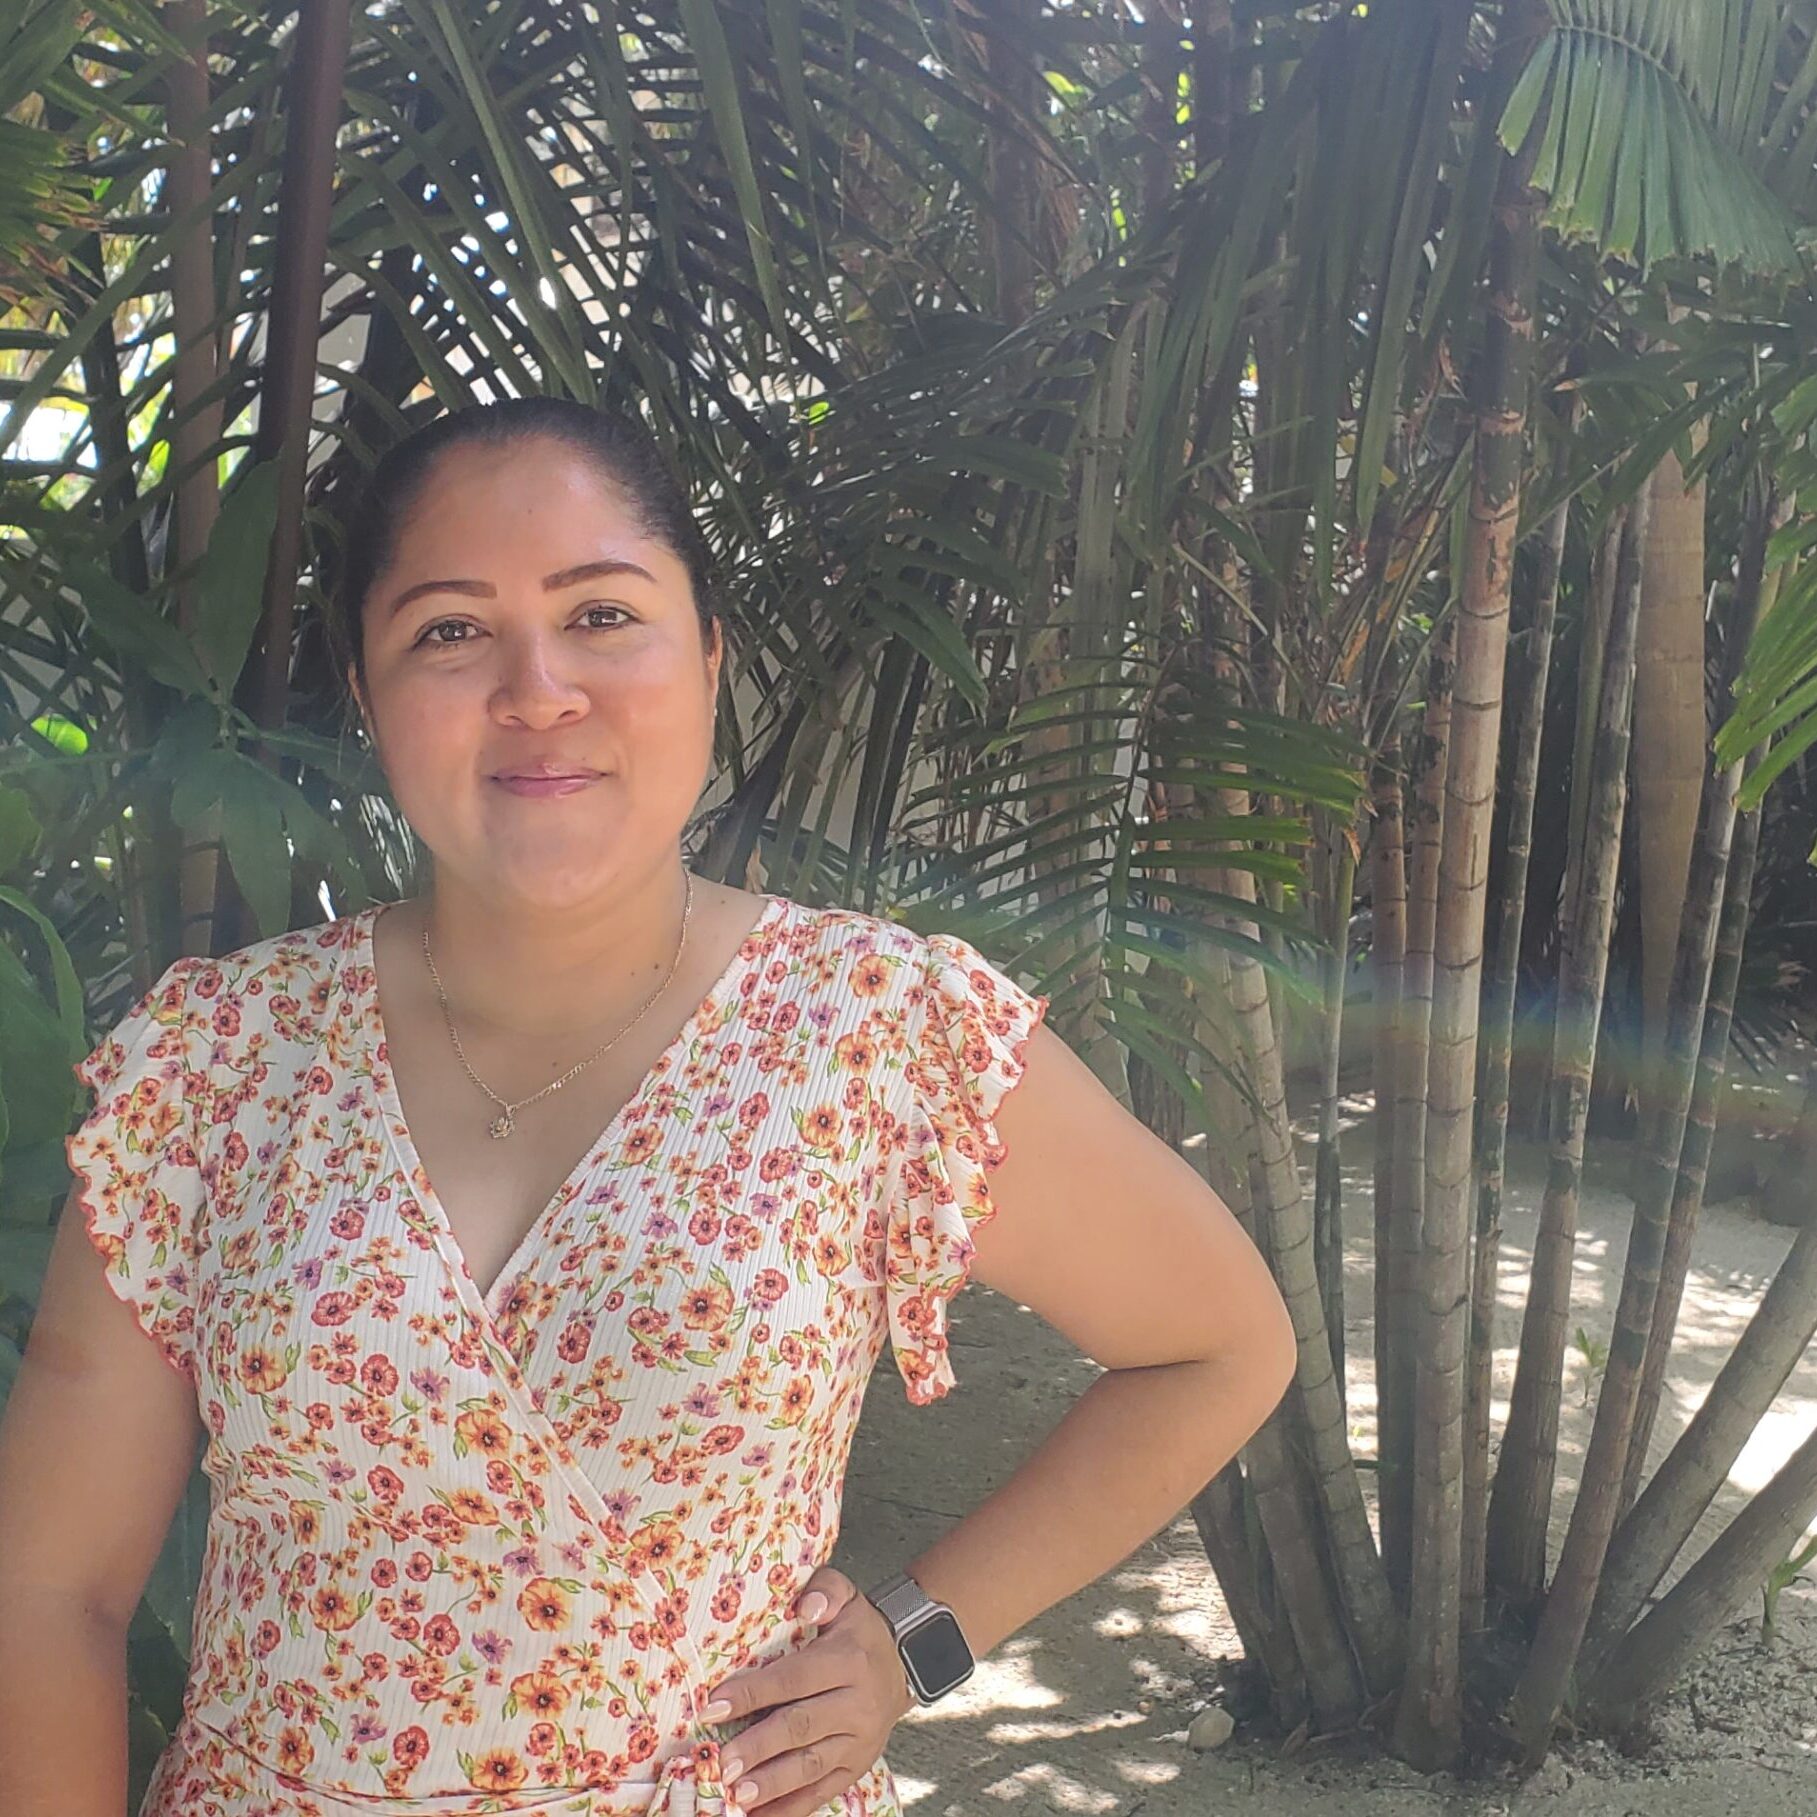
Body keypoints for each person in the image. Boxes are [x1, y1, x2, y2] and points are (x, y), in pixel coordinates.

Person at [0, 397, 1297, 1817]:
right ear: (366, 701)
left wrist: (914, 1636)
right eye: (449, 630)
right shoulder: (217, 1065)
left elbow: (1217, 1346)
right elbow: (50, 1589)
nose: (537, 686)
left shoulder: (878, 1036)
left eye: (602, 612)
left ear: (708, 655)